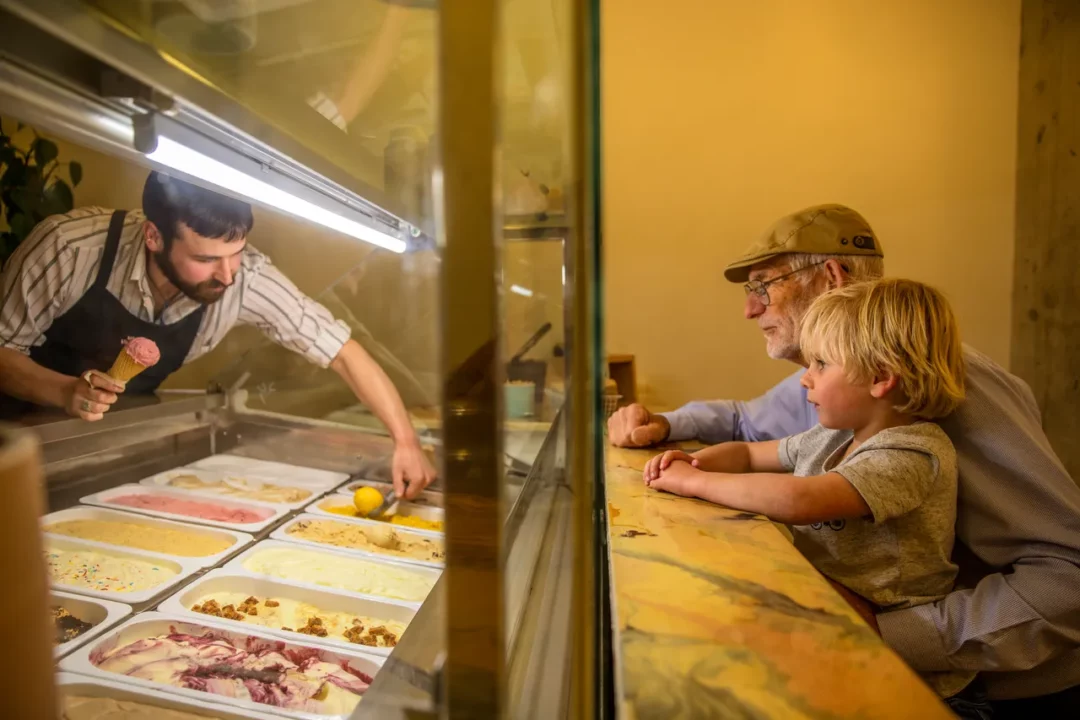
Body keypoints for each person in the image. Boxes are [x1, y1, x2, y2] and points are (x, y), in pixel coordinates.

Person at [609, 204, 1080, 716]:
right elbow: (750, 424)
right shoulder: (847, 384)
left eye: (763, 285)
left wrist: (884, 631)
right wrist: (664, 424)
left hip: (996, 688)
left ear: (832, 277)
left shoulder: (940, 386)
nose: (749, 310)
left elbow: (1068, 577)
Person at [645, 278, 986, 712]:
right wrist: (697, 462)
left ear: (881, 377)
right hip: (839, 632)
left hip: (912, 679)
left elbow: (800, 500)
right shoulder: (832, 435)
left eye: (821, 363)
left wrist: (692, 483)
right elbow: (750, 455)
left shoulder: (913, 453)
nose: (805, 379)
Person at [0, 172, 435, 498]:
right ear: (154, 236)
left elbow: (341, 350)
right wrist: (65, 391)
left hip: (105, 446)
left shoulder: (246, 277)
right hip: (11, 441)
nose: (227, 275)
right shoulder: (71, 248)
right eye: (207, 259)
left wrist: (405, 441)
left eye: (237, 254)